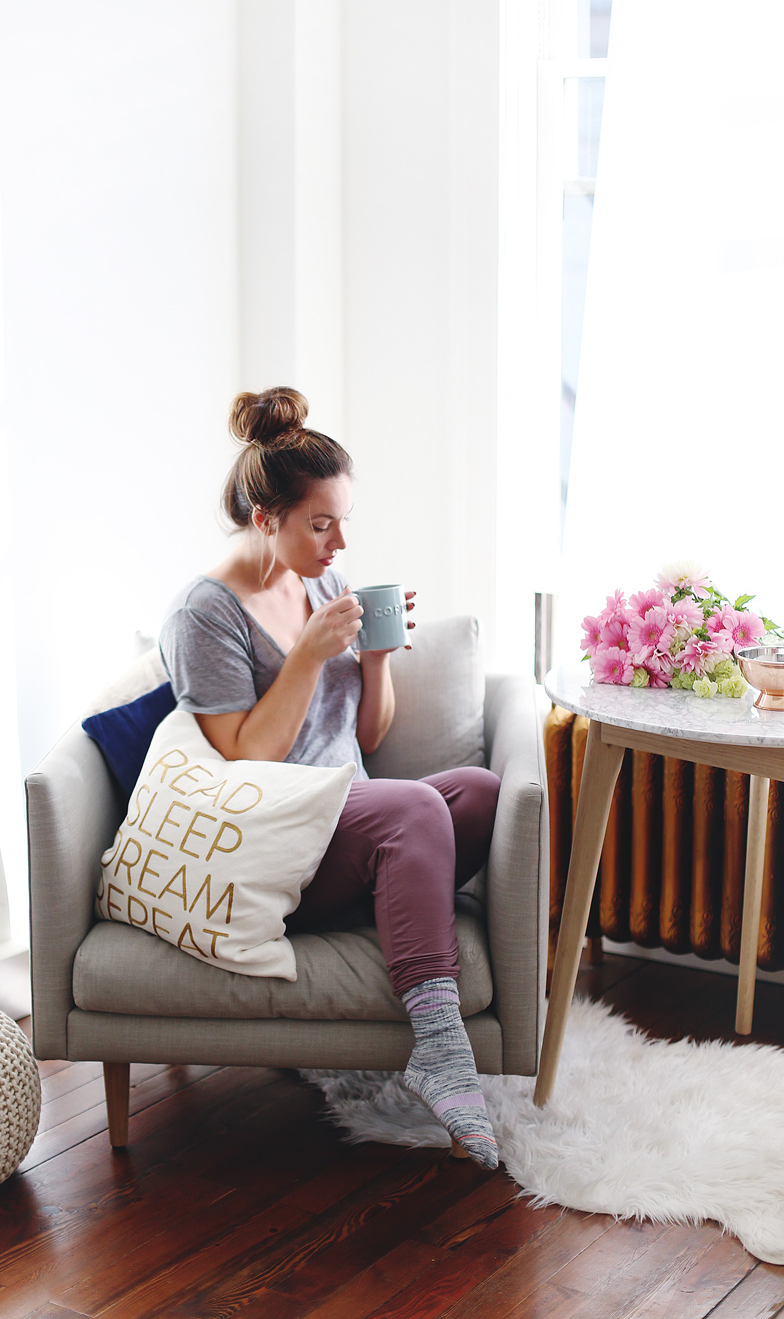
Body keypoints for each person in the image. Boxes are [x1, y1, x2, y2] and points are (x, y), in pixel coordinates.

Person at [158, 386, 500, 1167]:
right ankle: (440, 1046)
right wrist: (310, 655)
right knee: (415, 812)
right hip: (276, 844)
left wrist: (373, 660)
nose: (339, 541)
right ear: (264, 518)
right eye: (321, 523)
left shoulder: (319, 582)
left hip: (351, 820)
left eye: (343, 520)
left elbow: (365, 736)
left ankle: (400, 900)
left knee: (475, 795)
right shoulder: (203, 616)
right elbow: (245, 759)